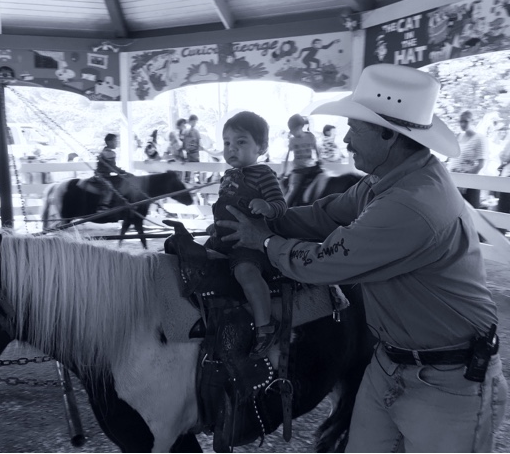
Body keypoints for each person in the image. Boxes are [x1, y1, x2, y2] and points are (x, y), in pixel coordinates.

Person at [214, 63, 507, 452]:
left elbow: (323, 263)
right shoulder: (384, 180)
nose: (346, 139)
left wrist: (265, 242)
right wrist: (264, 221)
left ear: (389, 135)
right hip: (389, 363)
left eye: (355, 128)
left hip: (450, 380)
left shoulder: (410, 204)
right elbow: (325, 214)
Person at [205, 111, 287, 359]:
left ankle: (265, 325)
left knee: (246, 272)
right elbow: (226, 208)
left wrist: (268, 207)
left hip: (248, 245)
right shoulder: (227, 176)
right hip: (223, 241)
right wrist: (216, 227)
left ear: (261, 147)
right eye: (227, 143)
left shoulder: (264, 174)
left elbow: (281, 205)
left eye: (241, 142)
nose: (231, 148)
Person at [447, 110, 488, 208]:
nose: (462, 124)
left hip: (470, 184)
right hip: (455, 181)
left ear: (472, 121)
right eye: (460, 121)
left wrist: (466, 181)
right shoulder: (458, 137)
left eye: (465, 121)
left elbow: (481, 164)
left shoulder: (479, 138)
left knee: (470, 211)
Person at [283, 114, 321, 206]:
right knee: (293, 189)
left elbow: (316, 150)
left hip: (311, 167)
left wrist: (319, 160)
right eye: (291, 130)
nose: (292, 132)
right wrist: (284, 170)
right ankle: (283, 208)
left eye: (293, 130)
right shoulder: (292, 140)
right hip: (298, 170)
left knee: (323, 179)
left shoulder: (310, 136)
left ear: (300, 127)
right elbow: (287, 155)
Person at [96, 133, 129, 210]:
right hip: (102, 175)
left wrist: (121, 172)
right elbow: (112, 168)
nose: (117, 142)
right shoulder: (109, 153)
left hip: (105, 175)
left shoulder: (106, 151)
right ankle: (103, 205)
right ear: (109, 142)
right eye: (115, 141)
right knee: (109, 187)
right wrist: (122, 172)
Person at [182, 114, 202, 182]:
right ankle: (187, 180)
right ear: (190, 121)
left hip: (195, 153)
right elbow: (184, 143)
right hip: (188, 153)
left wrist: (197, 149)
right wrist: (185, 150)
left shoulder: (196, 132)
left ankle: (198, 181)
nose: (194, 123)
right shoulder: (185, 131)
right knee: (188, 169)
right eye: (193, 121)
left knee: (197, 168)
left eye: (195, 122)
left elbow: (198, 142)